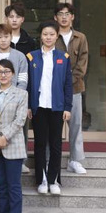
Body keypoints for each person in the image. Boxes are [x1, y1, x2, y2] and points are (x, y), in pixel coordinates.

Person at [27, 21, 73, 196]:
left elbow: (68, 84)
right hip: (38, 107)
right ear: (41, 36)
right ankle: (41, 180)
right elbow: (28, 84)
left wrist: (67, 107)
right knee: (39, 144)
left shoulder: (64, 57)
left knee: (55, 144)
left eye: (52, 34)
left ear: (57, 36)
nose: (48, 37)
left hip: (57, 107)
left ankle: (54, 180)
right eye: (45, 34)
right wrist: (28, 105)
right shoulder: (31, 57)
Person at [0, 23, 30, 183]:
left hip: (15, 102)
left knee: (17, 129)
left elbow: (23, 80)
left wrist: (15, 97)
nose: (3, 40)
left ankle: (19, 163)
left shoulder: (20, 57)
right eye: (0, 37)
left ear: (11, 37)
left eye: (6, 36)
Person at [0, 59, 28, 213]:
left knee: (13, 187)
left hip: (13, 145)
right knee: (1, 186)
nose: (3, 75)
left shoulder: (21, 94)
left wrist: (5, 136)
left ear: (12, 74)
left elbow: (20, 120)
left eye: (6, 71)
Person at [54, 3, 89, 175]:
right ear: (55, 17)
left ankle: (75, 160)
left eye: (67, 14)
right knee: (54, 126)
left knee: (75, 125)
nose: (64, 17)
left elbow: (82, 64)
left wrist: (68, 81)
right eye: (60, 14)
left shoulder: (80, 37)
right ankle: (51, 161)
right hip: (54, 89)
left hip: (75, 88)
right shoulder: (51, 36)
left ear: (72, 17)